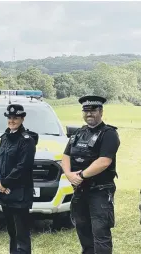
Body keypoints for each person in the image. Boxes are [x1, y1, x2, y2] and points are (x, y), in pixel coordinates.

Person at [62, 95, 120, 254]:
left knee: (100, 233)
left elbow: (104, 161)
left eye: (93, 110)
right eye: (86, 110)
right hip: (80, 191)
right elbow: (66, 156)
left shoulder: (108, 134)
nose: (89, 114)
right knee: (83, 231)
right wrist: (68, 174)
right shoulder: (79, 133)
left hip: (100, 192)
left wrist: (80, 176)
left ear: (101, 111)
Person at [0, 104, 38, 254]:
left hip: (20, 193)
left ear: (22, 119)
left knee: (22, 234)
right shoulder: (4, 138)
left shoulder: (27, 140)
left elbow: (23, 166)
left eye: (16, 118)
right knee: (12, 232)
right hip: (4, 192)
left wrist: (5, 183)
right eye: (10, 118)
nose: (12, 120)